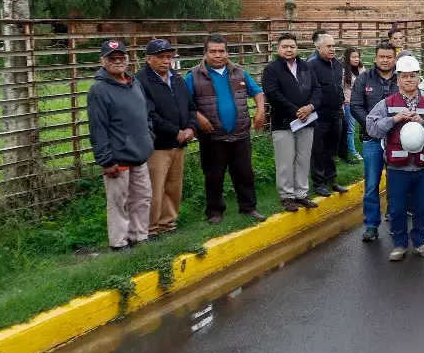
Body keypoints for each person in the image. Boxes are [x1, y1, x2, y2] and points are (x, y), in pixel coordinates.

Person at [366, 55, 424, 261]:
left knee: (421, 206)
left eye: (413, 76)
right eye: (404, 76)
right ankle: (399, 244)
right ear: (397, 79)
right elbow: (371, 128)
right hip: (397, 168)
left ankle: (419, 242)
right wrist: (394, 119)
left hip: (422, 165)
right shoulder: (386, 104)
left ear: (419, 79)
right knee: (397, 208)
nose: (409, 80)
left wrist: (423, 122)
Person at [186, 34, 266, 224]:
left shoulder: (238, 72)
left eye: (221, 51)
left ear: (227, 52)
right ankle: (215, 212)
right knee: (214, 175)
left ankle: (248, 207)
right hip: (212, 136)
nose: (218, 55)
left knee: (244, 172)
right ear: (205, 53)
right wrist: (199, 117)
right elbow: (186, 103)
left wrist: (261, 111)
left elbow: (257, 92)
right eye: (213, 51)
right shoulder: (194, 75)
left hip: (240, 133)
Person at [88, 40, 154, 251]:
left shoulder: (134, 83)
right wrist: (106, 159)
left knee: (142, 197)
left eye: (120, 57)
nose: (117, 61)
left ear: (127, 59)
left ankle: (139, 236)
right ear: (102, 61)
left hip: (140, 153)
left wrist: (149, 136)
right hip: (118, 158)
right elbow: (98, 127)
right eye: (111, 58)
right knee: (118, 202)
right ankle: (118, 243)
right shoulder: (99, 90)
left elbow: (145, 113)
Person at [136, 39, 197, 238]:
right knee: (155, 189)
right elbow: (149, 114)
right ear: (148, 59)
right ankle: (151, 229)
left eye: (168, 57)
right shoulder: (141, 81)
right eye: (160, 57)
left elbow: (190, 106)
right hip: (157, 146)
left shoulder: (177, 79)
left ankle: (168, 224)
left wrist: (190, 127)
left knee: (173, 187)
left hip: (179, 143)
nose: (165, 61)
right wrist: (174, 131)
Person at [262, 33, 321, 212]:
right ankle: (287, 196)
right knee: (285, 161)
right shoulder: (272, 69)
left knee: (303, 159)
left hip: (307, 120)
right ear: (278, 48)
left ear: (297, 48)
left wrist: (310, 107)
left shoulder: (305, 67)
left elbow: (317, 89)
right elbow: (272, 93)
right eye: (285, 46)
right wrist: (296, 111)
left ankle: (301, 194)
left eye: (292, 46)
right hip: (284, 122)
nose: (289, 49)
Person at [351, 41, 399, 242]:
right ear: (375, 58)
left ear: (394, 58)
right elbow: (355, 106)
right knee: (371, 183)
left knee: (396, 181)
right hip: (371, 140)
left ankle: (395, 218)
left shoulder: (401, 79)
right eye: (382, 56)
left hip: (397, 140)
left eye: (389, 57)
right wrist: (373, 125)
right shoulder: (364, 79)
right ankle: (371, 224)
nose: (385, 60)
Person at [308, 30, 347, 197]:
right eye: (328, 46)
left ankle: (332, 180)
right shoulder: (311, 65)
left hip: (336, 114)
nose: (332, 49)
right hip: (319, 115)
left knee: (331, 149)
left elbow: (338, 86)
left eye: (333, 46)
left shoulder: (336, 64)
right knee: (318, 150)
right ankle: (318, 183)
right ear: (318, 47)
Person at [341, 48, 363, 162]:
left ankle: (365, 147)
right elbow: (342, 88)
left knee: (365, 125)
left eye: (357, 57)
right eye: (353, 57)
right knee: (350, 129)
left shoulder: (361, 69)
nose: (356, 59)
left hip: (361, 102)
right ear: (348, 58)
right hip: (348, 103)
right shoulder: (344, 71)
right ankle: (352, 151)